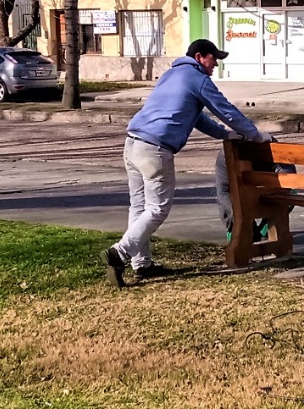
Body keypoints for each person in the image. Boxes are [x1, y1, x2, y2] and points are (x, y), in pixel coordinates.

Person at [101, 39, 273, 288]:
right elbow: (226, 110)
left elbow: (197, 118)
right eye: (214, 59)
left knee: (139, 207)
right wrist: (256, 135)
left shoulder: (171, 75)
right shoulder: (197, 78)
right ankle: (119, 253)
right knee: (157, 209)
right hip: (155, 150)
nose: (216, 65)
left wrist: (226, 135)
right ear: (200, 56)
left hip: (132, 145)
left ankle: (142, 265)